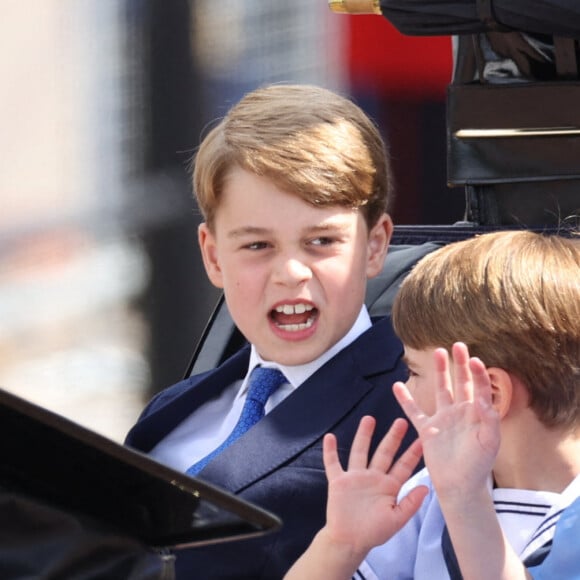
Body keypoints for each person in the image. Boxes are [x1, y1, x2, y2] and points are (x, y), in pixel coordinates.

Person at [125, 83, 425, 579]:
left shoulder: (416, 401)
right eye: (258, 246)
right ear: (213, 254)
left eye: (321, 241)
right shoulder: (177, 408)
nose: (290, 272)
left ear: (375, 246)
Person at [285, 229, 580, 579]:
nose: (403, 386)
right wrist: (340, 544)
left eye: (414, 372)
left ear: (491, 393)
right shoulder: (429, 496)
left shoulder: (457, 493)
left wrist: (465, 502)